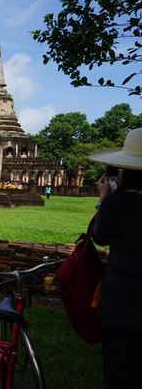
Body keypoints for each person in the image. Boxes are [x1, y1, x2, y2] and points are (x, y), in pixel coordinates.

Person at [90, 127, 142, 389]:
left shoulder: (116, 204)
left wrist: (104, 198)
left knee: (119, 373)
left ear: (125, 171)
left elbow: (98, 235)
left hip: (120, 302)